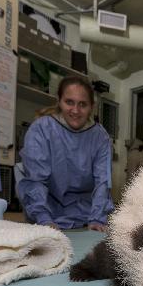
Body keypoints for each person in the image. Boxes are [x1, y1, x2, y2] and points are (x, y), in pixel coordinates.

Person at [17, 76, 114, 231]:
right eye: (69, 102)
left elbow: (102, 182)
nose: (75, 110)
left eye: (83, 104)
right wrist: (43, 218)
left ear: (92, 107)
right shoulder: (41, 129)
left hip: (87, 214)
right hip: (46, 209)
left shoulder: (100, 137)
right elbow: (36, 180)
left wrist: (98, 218)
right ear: (59, 101)